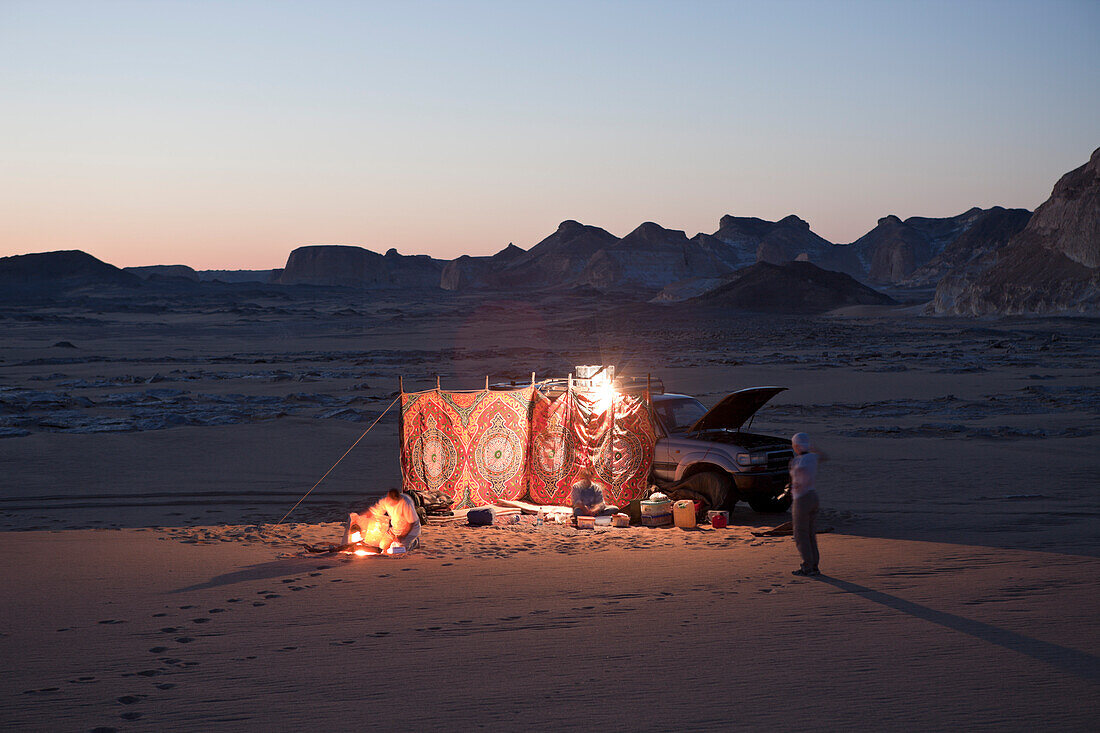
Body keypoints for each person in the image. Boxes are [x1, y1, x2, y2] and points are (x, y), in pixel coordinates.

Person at [789, 432, 826, 576]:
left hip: (802, 499)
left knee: (801, 534)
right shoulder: (812, 457)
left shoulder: (799, 461)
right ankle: (814, 565)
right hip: (813, 496)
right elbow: (824, 456)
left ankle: (808, 566)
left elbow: (800, 473)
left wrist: (797, 483)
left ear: (796, 446)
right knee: (810, 533)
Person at [346, 488, 421, 552]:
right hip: (395, 530)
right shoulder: (385, 500)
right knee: (382, 546)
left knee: (397, 549)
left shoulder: (406, 503)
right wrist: (359, 518)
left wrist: (401, 537)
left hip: (410, 531)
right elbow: (373, 512)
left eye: (396, 501)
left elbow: (411, 523)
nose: (393, 504)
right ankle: (404, 542)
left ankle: (414, 543)